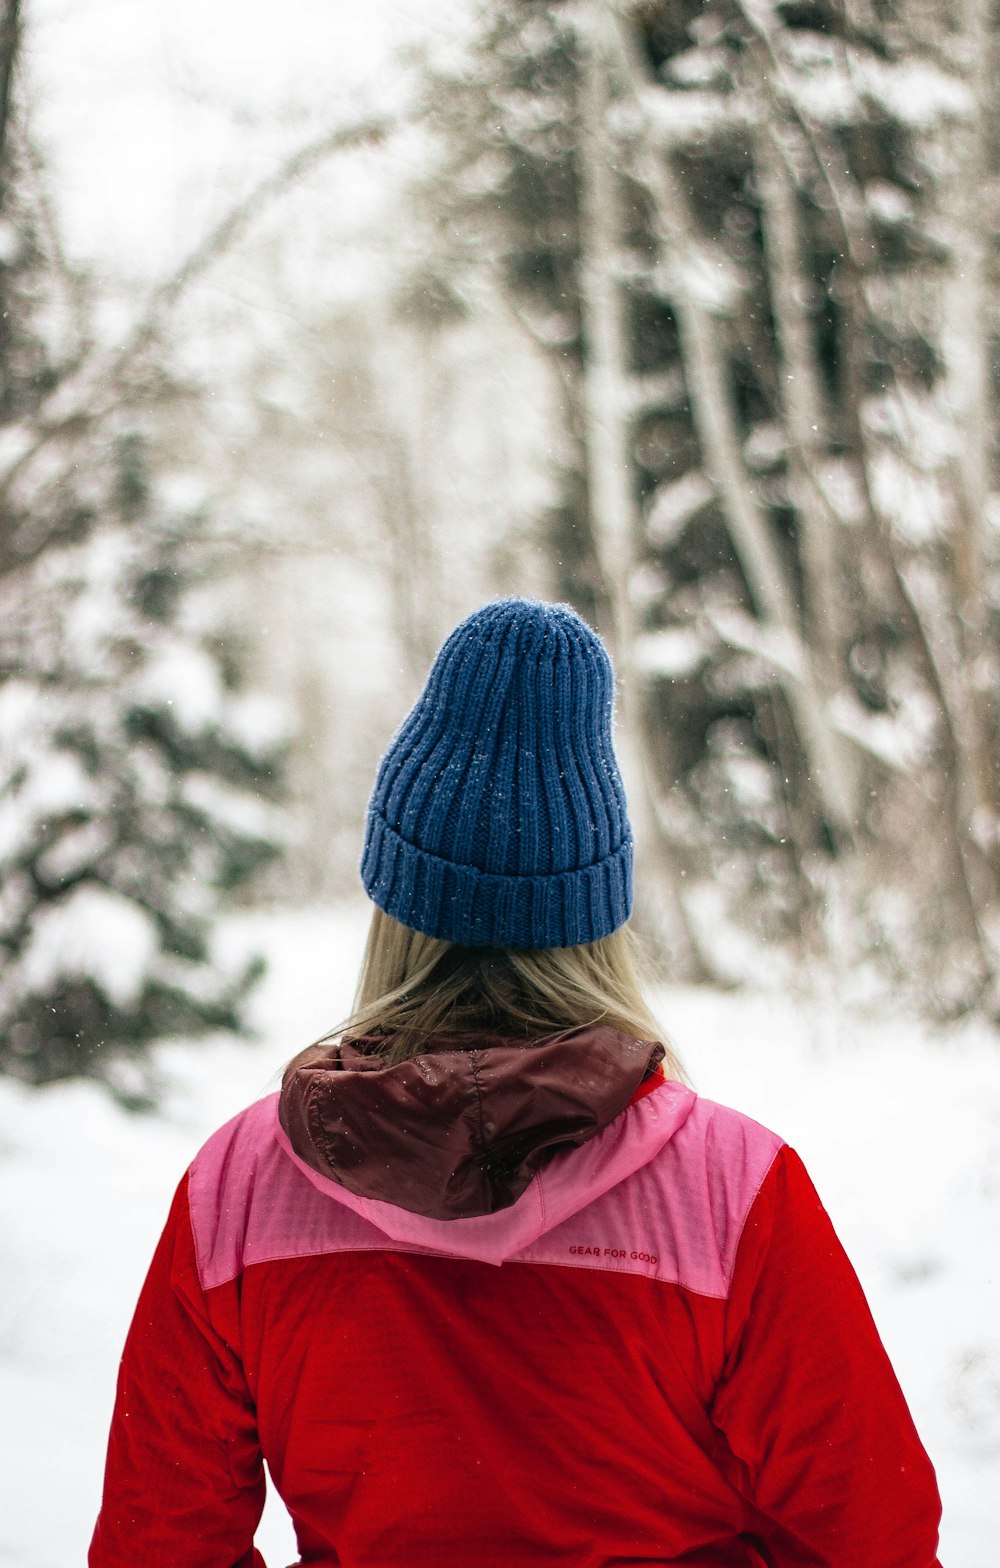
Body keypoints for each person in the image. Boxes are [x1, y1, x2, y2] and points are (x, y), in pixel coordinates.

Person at [90, 597, 942, 1568]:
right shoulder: (733, 1191)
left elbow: (154, 1545)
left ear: (393, 900)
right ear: (596, 915)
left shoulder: (239, 1189)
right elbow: (874, 1536)